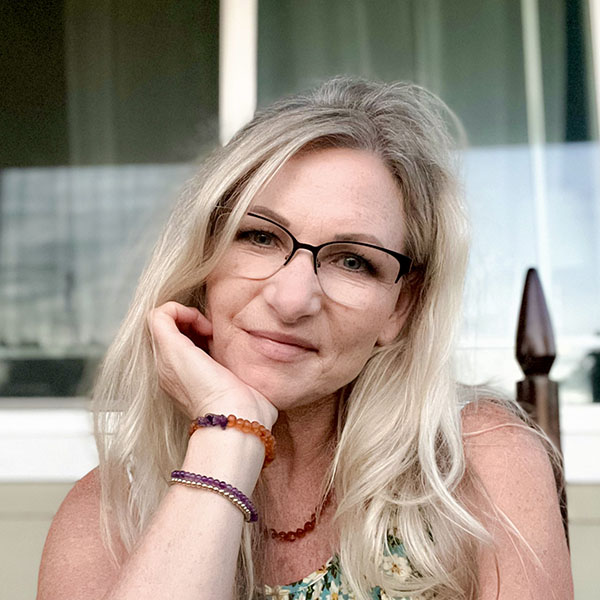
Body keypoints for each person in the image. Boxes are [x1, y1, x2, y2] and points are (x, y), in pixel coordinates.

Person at [37, 77, 572, 600]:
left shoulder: (476, 465)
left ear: (400, 307)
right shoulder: (108, 518)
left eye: (353, 261)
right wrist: (228, 434)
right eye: (260, 236)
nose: (292, 299)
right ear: (204, 257)